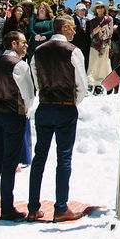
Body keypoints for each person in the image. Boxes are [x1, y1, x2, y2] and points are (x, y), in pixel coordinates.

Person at [27, 14, 87, 222]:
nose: (74, 31)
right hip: (65, 106)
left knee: (39, 157)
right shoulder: (73, 51)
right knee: (64, 158)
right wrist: (73, 102)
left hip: (44, 105)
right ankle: (61, 206)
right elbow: (81, 84)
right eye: (72, 27)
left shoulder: (38, 51)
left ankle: (33, 207)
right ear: (63, 28)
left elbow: (35, 78)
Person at [0, 31, 35, 221]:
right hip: (13, 114)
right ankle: (7, 207)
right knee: (9, 162)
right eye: (23, 42)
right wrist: (26, 109)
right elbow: (28, 93)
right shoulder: (19, 65)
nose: (26, 45)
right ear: (13, 44)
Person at [86, 2, 113, 92]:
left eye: (102, 7)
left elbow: (110, 33)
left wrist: (105, 42)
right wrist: (101, 25)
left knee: (104, 66)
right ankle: (90, 84)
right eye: (98, 8)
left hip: (105, 46)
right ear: (95, 10)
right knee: (93, 65)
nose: (100, 9)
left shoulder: (109, 19)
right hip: (94, 45)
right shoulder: (92, 21)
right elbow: (92, 33)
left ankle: (101, 86)